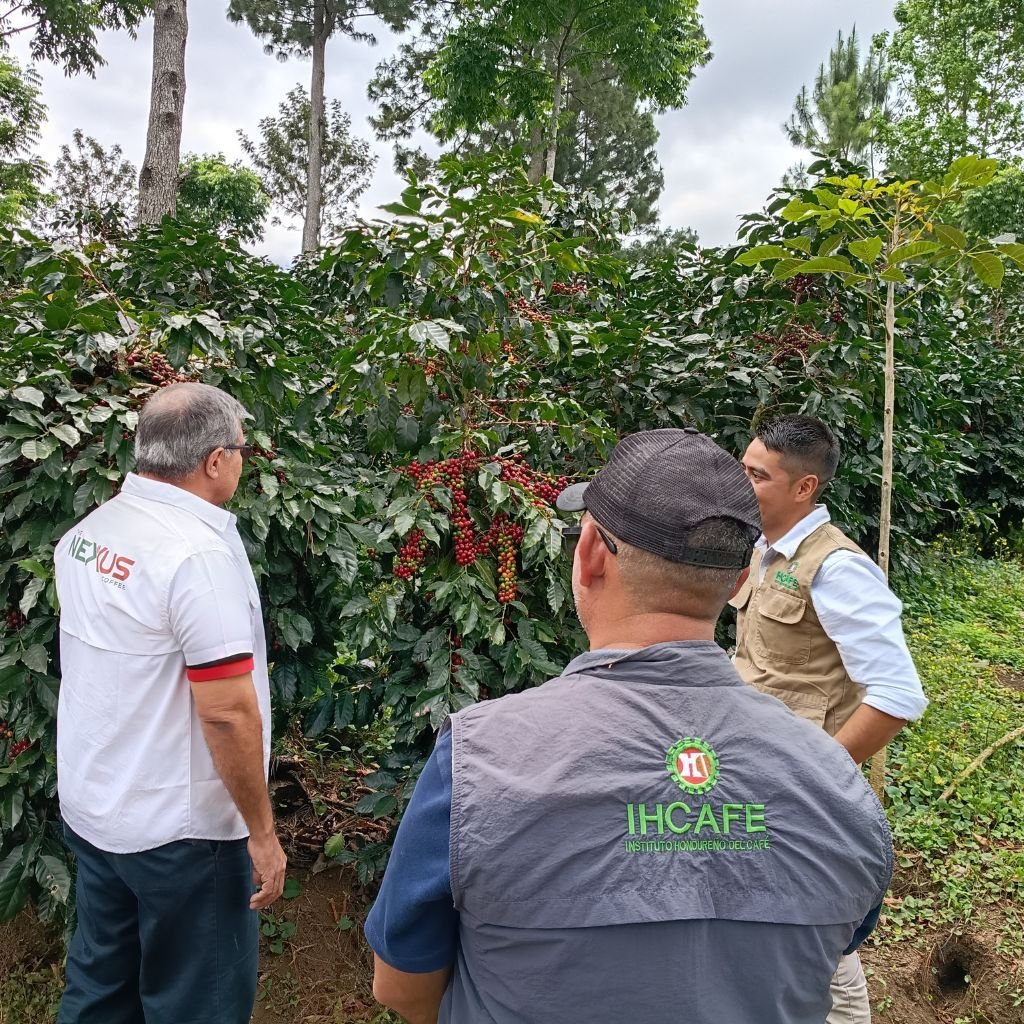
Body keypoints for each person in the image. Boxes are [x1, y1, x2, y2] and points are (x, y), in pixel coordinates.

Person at [365, 427, 893, 1024]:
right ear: (741, 579)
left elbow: (403, 988)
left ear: (588, 552)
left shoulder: (477, 761)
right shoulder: (838, 784)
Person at [54, 382, 286, 1024]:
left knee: (101, 986)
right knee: (198, 1002)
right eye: (241, 449)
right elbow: (226, 711)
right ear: (215, 460)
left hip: (99, 809)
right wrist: (261, 836)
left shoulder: (89, 534)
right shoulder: (195, 557)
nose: (243, 460)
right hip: (181, 836)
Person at [733, 413, 928, 1024]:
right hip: (757, 776)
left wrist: (822, 773)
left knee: (816, 928)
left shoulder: (837, 569)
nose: (742, 485)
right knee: (776, 916)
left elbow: (897, 692)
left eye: (756, 476)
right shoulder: (766, 551)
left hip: (801, 792)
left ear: (804, 488)